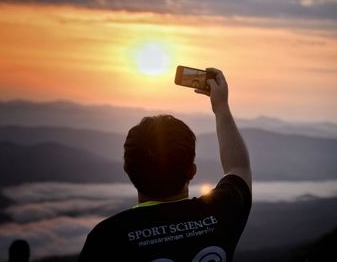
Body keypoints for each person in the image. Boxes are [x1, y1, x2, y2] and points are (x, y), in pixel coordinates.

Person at [78, 68, 252, 262]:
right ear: (192, 171)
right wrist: (221, 106)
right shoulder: (221, 212)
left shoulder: (107, 239)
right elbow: (239, 168)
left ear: (127, 170)